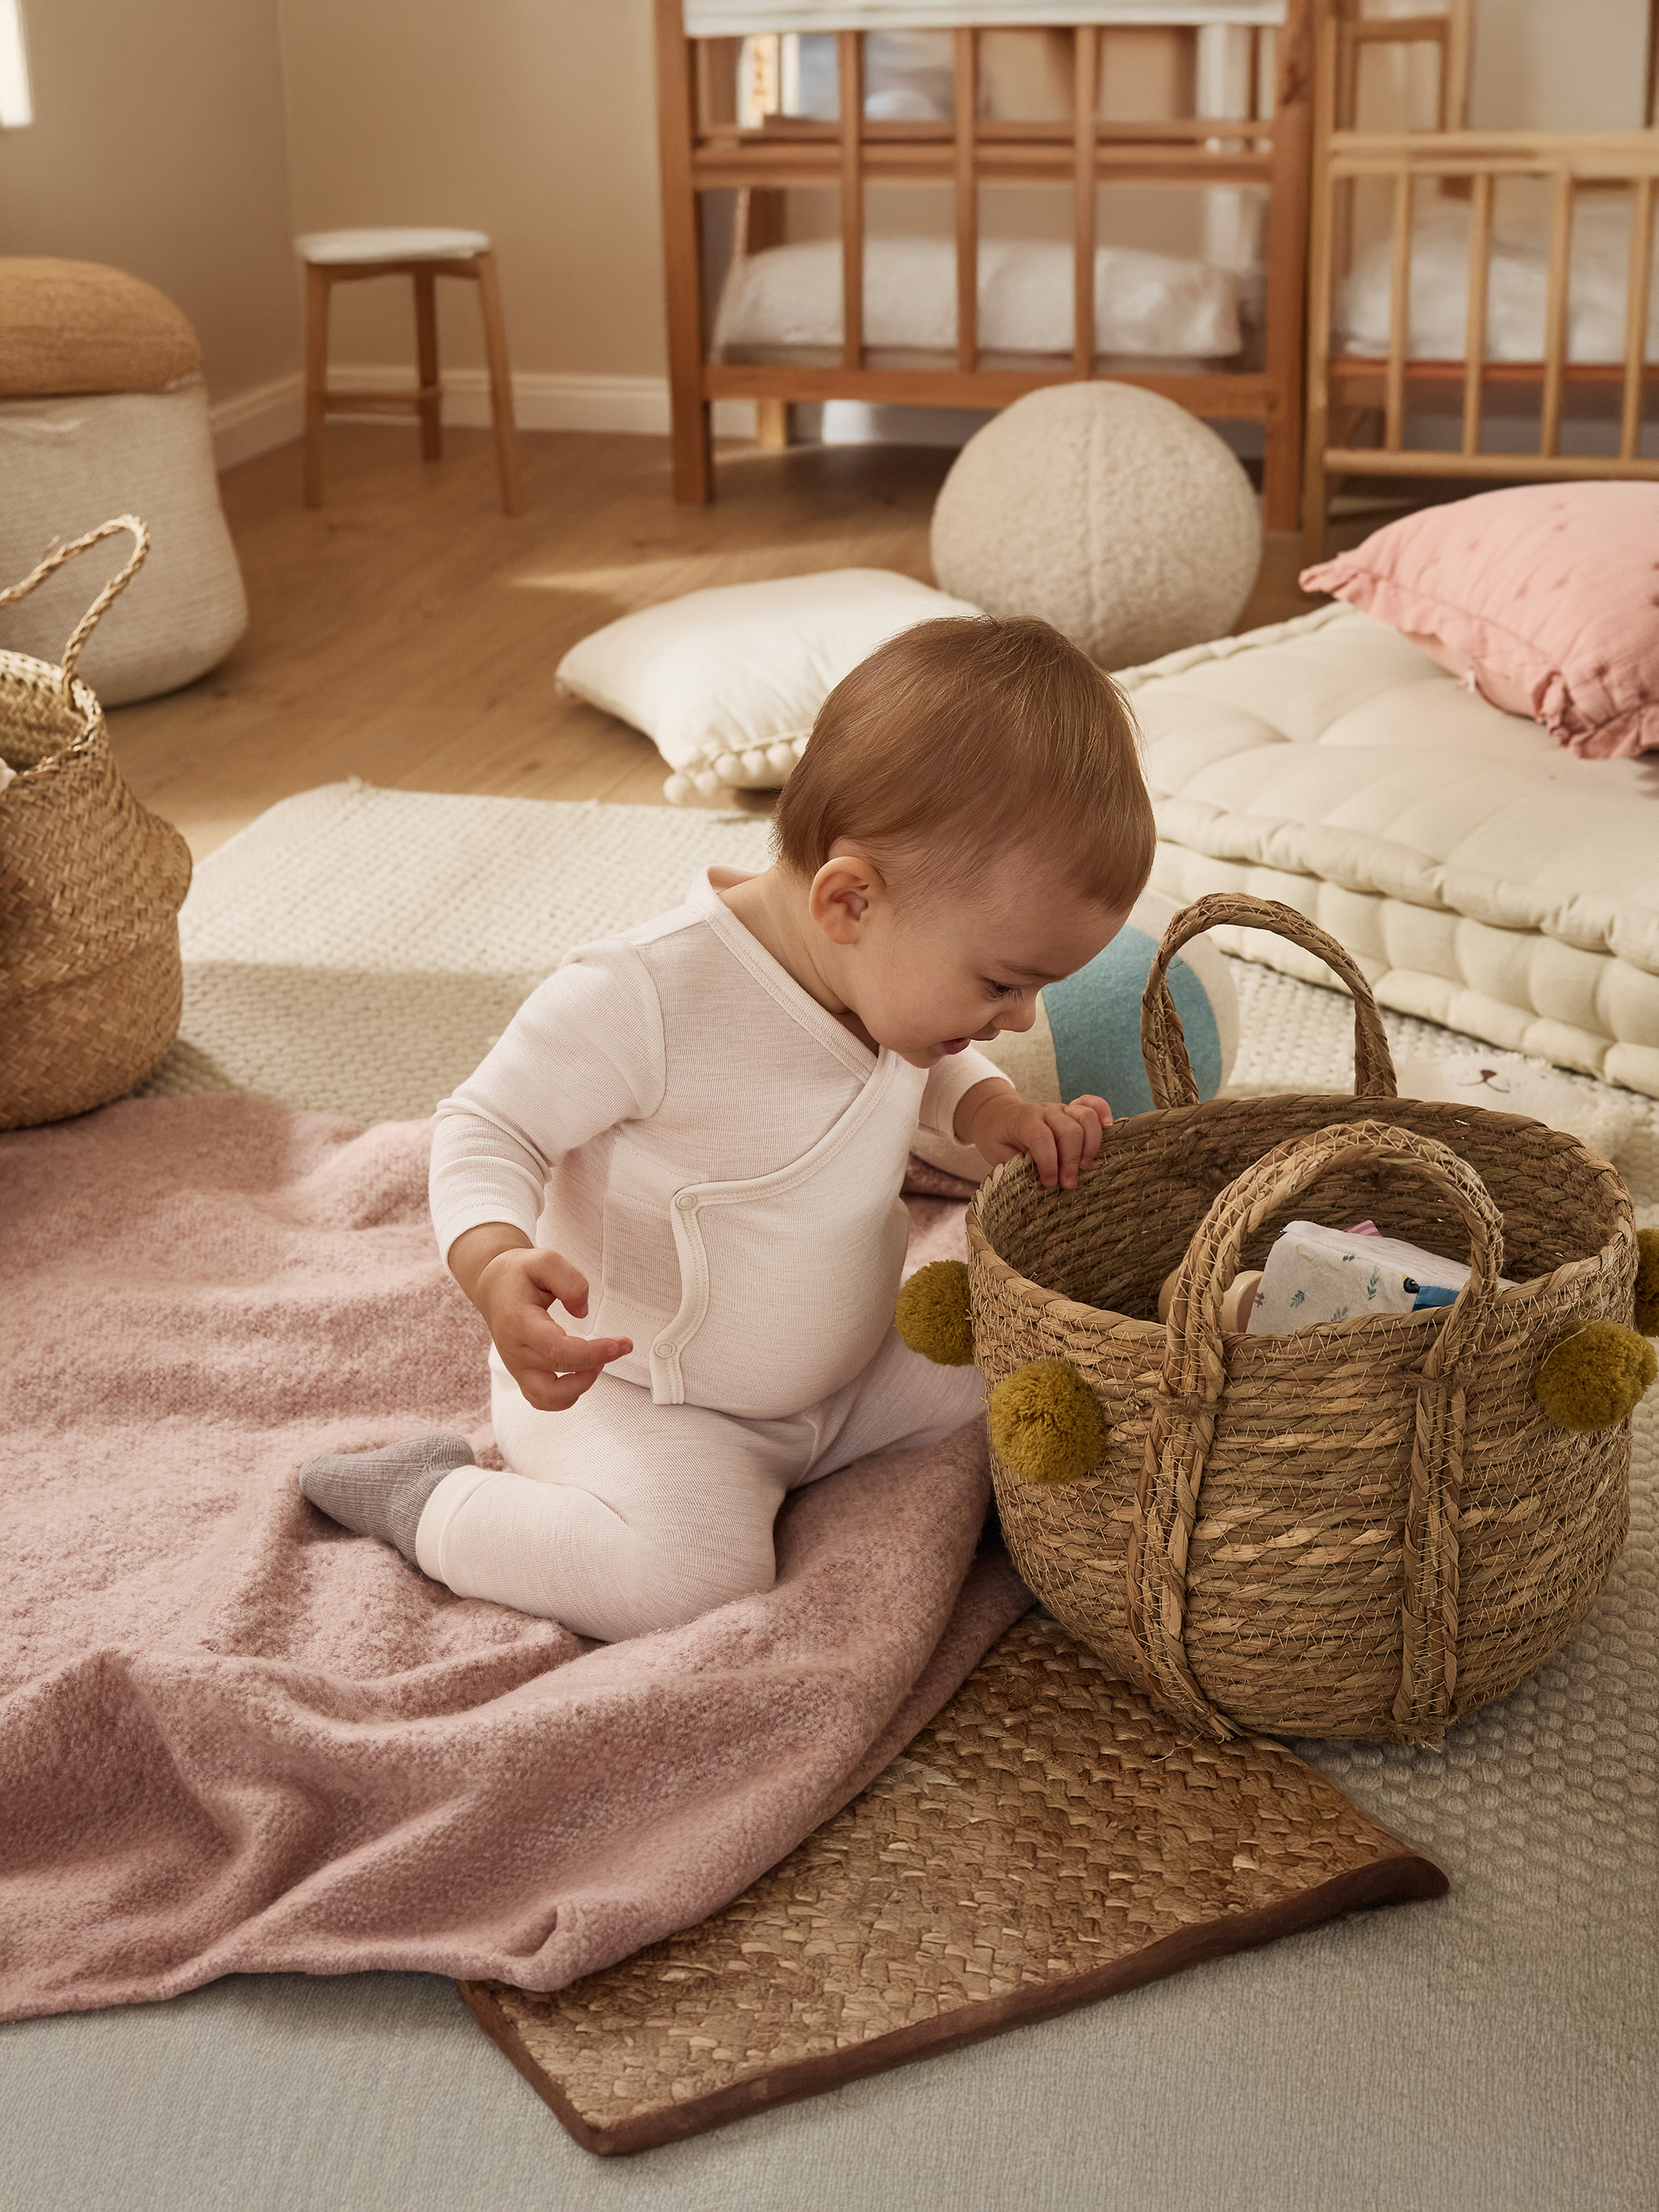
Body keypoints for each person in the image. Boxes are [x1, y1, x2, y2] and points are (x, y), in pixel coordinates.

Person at [300, 614, 1155, 1639]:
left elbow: (919, 1063)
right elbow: (489, 1125)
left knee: (1033, 1372)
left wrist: (990, 1109)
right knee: (694, 1579)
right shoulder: (647, 996)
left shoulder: (880, 976)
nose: (1020, 1019)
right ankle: (431, 1500)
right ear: (850, 900)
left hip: (845, 1380)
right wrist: (492, 1263)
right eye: (1002, 984)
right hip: (642, 1400)